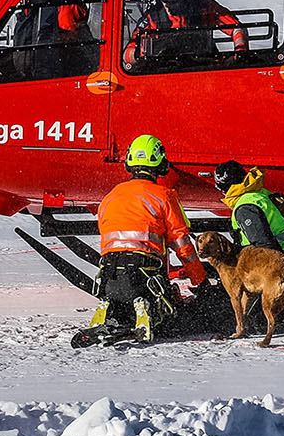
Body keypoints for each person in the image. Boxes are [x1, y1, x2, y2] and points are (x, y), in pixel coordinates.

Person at [88, 134, 206, 341]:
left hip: (109, 278)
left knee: (122, 306)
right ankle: (146, 308)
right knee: (180, 319)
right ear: (160, 163)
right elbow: (182, 243)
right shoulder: (164, 195)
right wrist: (199, 279)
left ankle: (112, 308)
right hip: (145, 278)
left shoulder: (111, 196)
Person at [217, 159, 284, 337]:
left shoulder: (244, 206)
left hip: (273, 262)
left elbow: (264, 245)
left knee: (258, 322)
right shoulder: (259, 193)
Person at [122, 0, 246, 72]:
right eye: (165, 2)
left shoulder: (204, 8)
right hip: (165, 74)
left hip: (204, 69)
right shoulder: (152, 18)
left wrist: (240, 51)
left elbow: (236, 28)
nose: (169, 6)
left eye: (175, 2)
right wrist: (141, 53)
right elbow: (128, 54)